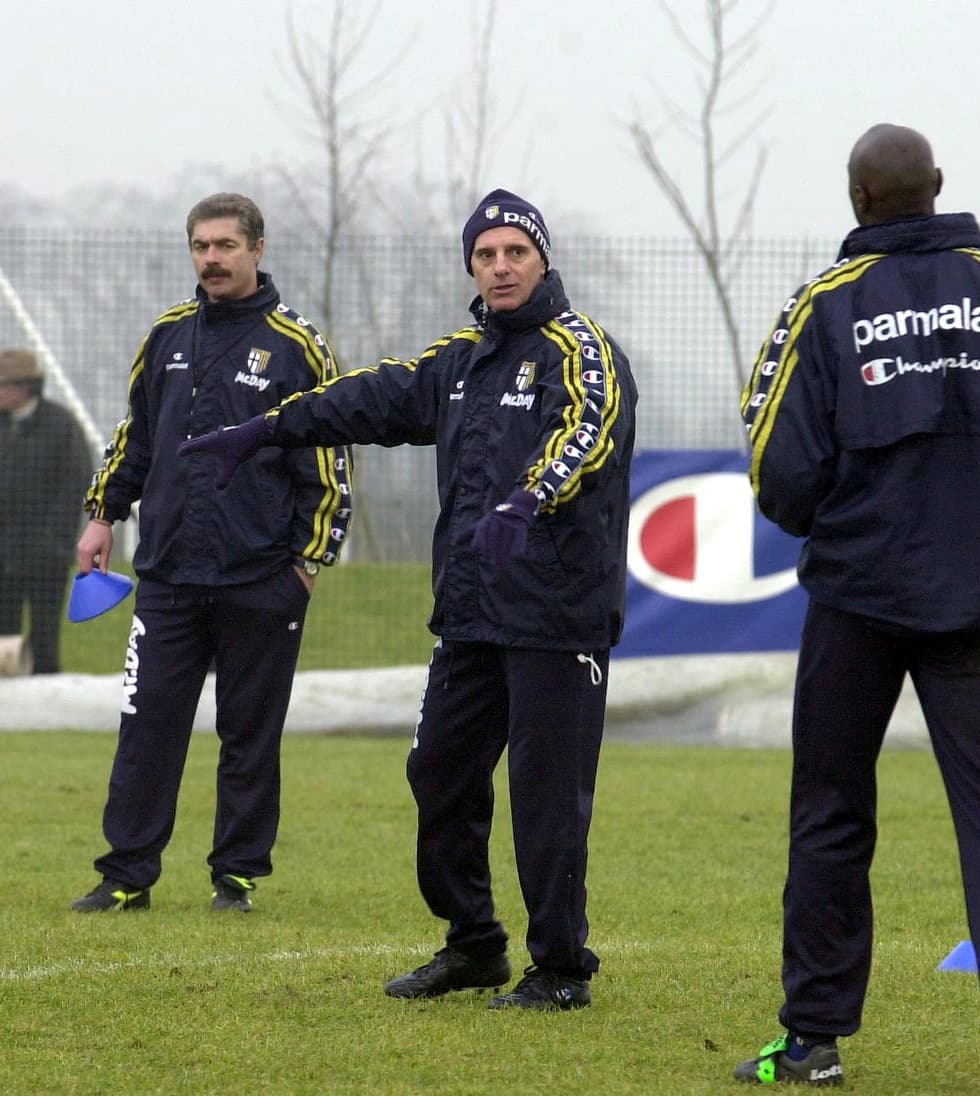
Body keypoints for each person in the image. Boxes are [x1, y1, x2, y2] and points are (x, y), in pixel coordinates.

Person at [179, 188, 637, 1010]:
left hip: (555, 617)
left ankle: (561, 968)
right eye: (486, 255)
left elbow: (587, 434)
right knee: (437, 774)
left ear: (541, 259)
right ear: (472, 265)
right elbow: (362, 398)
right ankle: (473, 944)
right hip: (468, 616)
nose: (500, 268)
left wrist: (528, 501)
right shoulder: (458, 362)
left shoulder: (583, 351)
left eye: (515, 254)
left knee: (546, 798)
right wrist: (261, 431)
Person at [733, 124, 980, 1091]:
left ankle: (812, 1042)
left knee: (830, 813)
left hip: (857, 597)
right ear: (938, 188)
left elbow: (778, 465)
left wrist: (844, 520)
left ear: (857, 201)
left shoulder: (825, 305)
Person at [71, 192, 352, 914]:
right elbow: (135, 436)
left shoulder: (297, 344)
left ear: (257, 249)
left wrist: (307, 565)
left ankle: (237, 877)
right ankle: (125, 875)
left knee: (248, 735)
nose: (212, 259)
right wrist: (103, 515)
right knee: (145, 726)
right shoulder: (166, 335)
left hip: (262, 576)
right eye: (200, 246)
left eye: (226, 245)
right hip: (166, 574)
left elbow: (330, 463)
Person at [0, 348, 93, 673]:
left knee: (44, 638)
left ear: (23, 387)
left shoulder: (61, 426)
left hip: (45, 559)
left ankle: (49, 695)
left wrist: (53, 542)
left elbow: (74, 488)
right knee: (4, 639)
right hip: (3, 556)